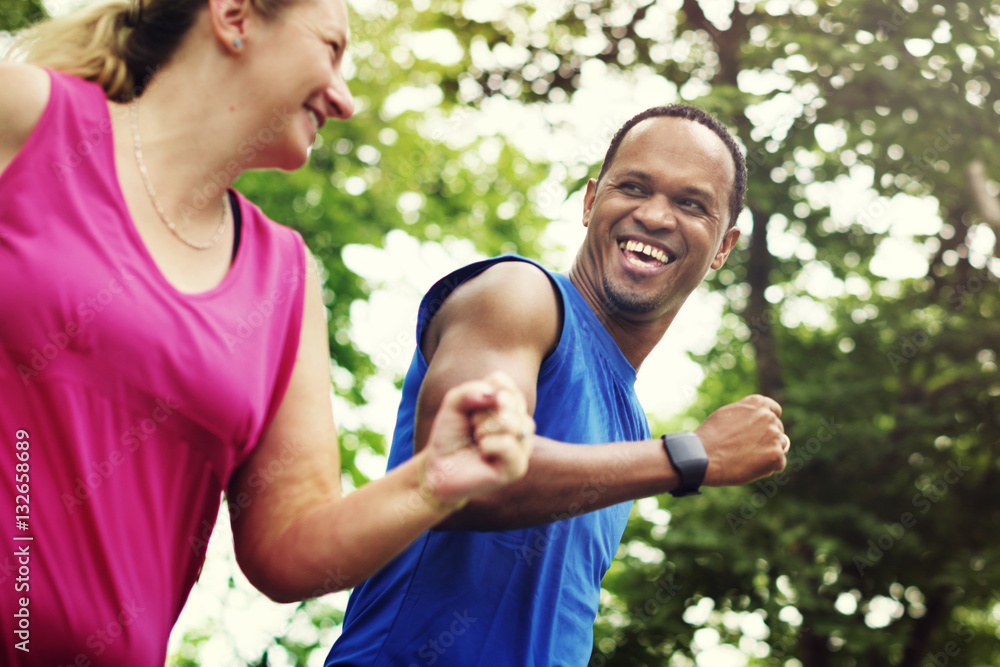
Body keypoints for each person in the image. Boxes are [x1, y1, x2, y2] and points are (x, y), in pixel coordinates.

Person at [0, 0, 534, 664]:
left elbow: (286, 548)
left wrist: (430, 480)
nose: (344, 101)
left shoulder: (284, 278)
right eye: (332, 50)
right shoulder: (25, 117)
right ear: (234, 17)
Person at [324, 104, 792, 666]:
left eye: (691, 204)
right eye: (634, 187)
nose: (656, 216)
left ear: (723, 247)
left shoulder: (630, 423)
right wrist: (692, 456)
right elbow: (457, 473)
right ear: (591, 200)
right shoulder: (520, 295)